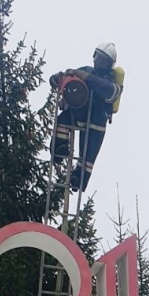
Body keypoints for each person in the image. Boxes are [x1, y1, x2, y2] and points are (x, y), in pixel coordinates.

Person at [49, 42, 123, 191]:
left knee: (88, 155)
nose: (100, 62)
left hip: (97, 121)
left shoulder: (110, 81)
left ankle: (79, 178)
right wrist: (61, 79)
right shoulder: (85, 70)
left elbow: (111, 92)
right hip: (79, 114)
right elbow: (59, 82)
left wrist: (87, 78)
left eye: (105, 61)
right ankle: (60, 149)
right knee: (62, 120)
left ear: (110, 64)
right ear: (94, 55)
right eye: (99, 58)